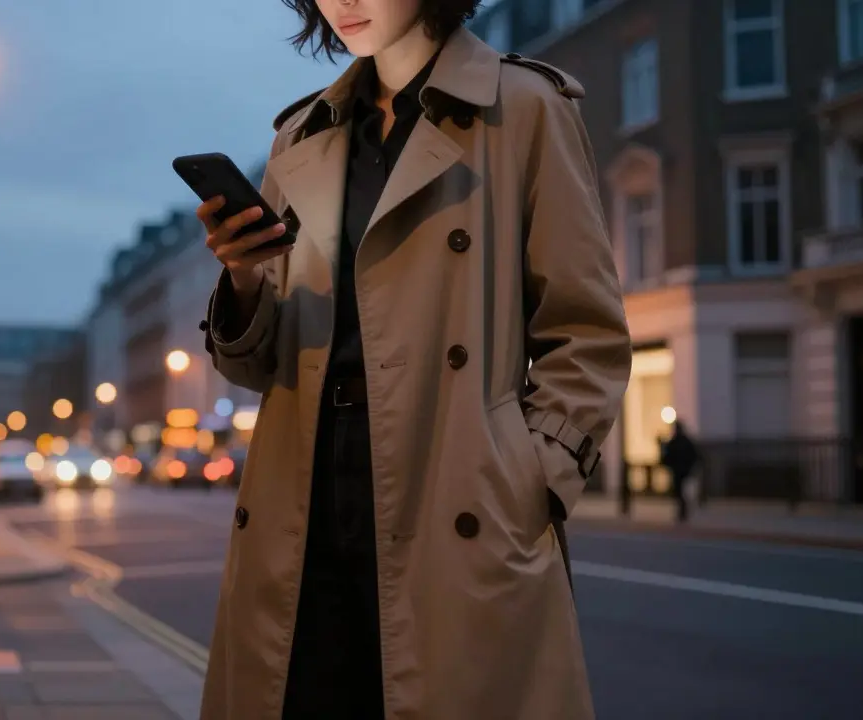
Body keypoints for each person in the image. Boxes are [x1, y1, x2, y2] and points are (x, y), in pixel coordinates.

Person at [194, 1, 632, 718]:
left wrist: (526, 483)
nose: (345, 2)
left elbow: (586, 335)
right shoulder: (301, 135)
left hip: (452, 489)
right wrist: (242, 278)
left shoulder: (522, 108)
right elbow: (255, 363)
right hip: (303, 497)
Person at [661, 420, 700, 523]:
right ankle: (682, 512)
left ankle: (683, 512)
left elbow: (693, 456)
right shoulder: (679, 441)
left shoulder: (681, 441)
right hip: (680, 470)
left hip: (681, 470)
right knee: (679, 492)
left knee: (681, 492)